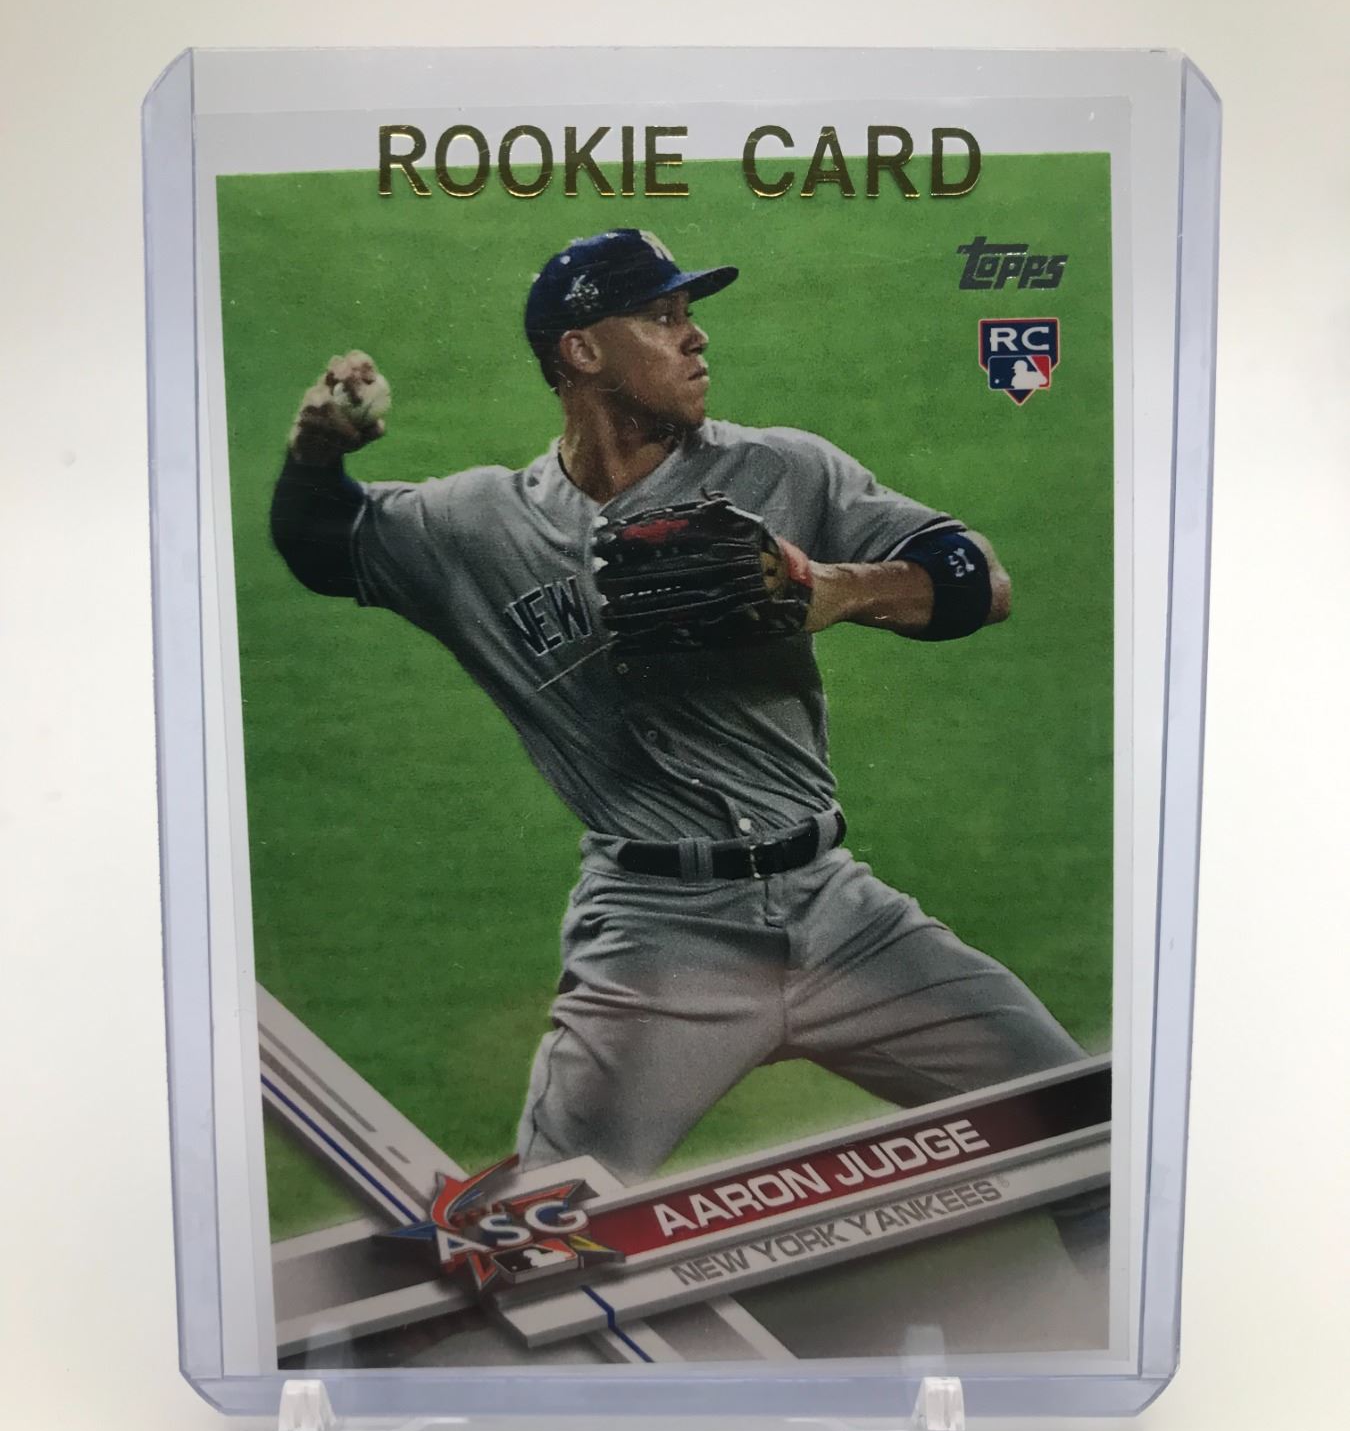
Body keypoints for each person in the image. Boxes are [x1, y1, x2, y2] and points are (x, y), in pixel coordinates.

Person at [270, 228, 1094, 1207]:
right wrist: (318, 447)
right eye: (662, 317)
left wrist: (835, 590)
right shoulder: (476, 527)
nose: (695, 337)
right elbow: (322, 541)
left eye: (690, 313)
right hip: (654, 943)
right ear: (582, 350)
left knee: (1084, 1133)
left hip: (840, 916)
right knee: (547, 1235)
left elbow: (976, 578)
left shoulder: (781, 471)